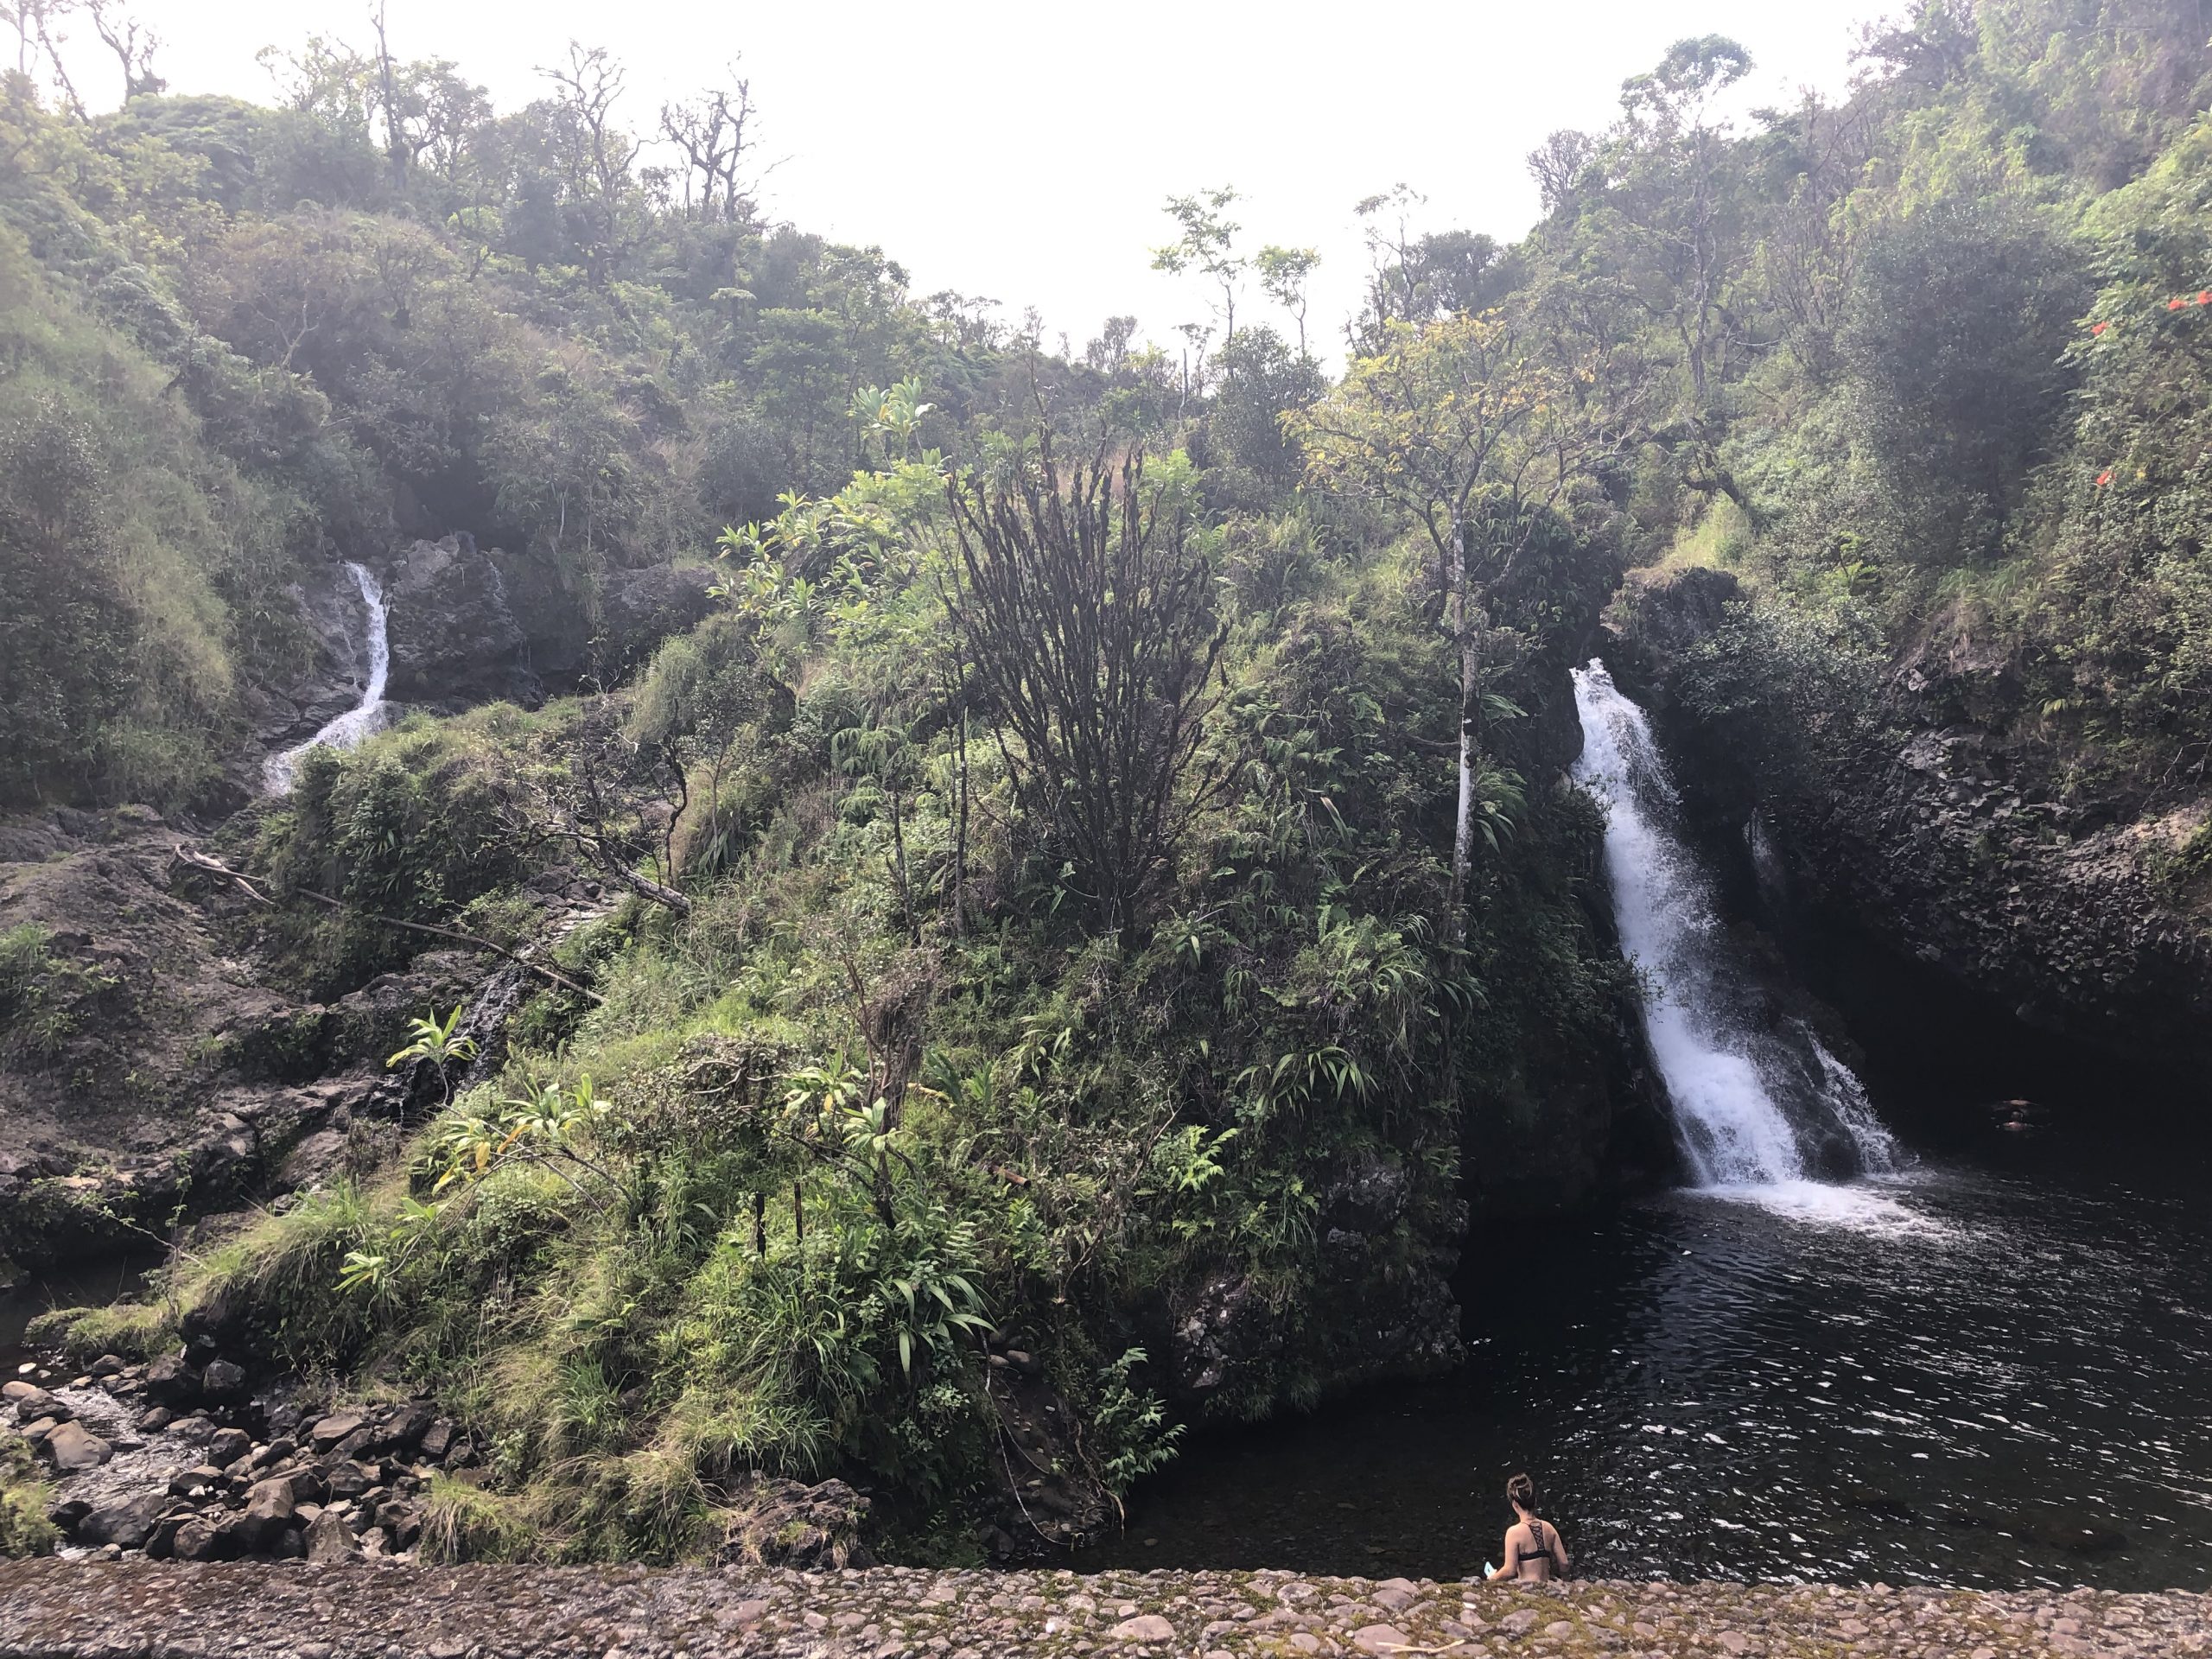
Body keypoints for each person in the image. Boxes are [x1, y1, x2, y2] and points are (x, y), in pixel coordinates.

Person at [1485, 1473, 1569, 1583]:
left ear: (1515, 1504)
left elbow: (1509, 1570)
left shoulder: (1513, 1533)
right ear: (1535, 1501)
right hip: (1546, 1586)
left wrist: (1492, 1578)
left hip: (1528, 1588)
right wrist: (1566, 1582)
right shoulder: (1549, 1528)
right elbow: (1564, 1563)